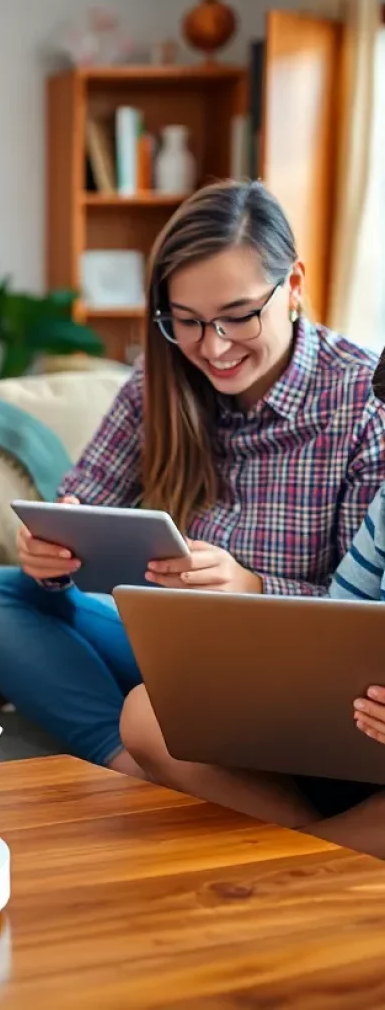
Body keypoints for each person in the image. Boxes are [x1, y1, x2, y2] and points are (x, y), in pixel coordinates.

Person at [0, 179, 385, 781]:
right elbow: (79, 508)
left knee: (157, 698)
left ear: (293, 287)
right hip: (172, 645)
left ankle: (175, 759)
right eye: (186, 321)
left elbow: (363, 622)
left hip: (290, 670)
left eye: (238, 317)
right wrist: (48, 553)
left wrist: (252, 587)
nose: (213, 346)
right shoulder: (158, 381)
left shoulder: (364, 401)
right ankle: (128, 764)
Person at [120, 349, 385, 857]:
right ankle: (328, 849)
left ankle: (296, 862)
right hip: (349, 730)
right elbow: (334, 623)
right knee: (147, 711)